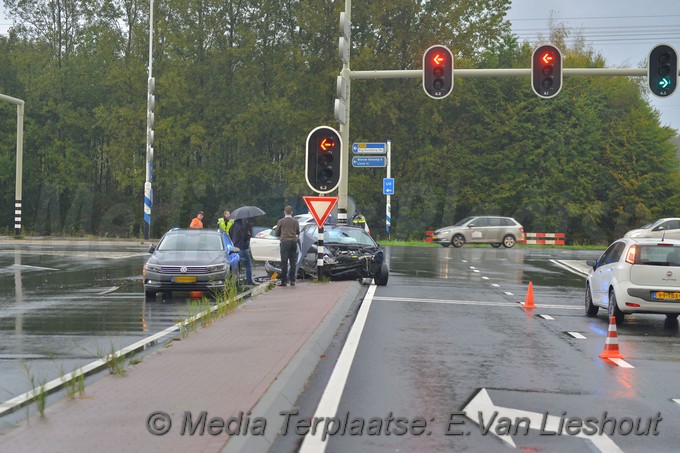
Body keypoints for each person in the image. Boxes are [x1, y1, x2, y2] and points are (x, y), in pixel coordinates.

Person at [275, 205, 300, 287]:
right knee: (293, 262)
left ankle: (284, 281)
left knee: (284, 262)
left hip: (285, 242)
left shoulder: (281, 221)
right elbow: (298, 232)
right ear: (292, 212)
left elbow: (277, 233)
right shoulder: (295, 221)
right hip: (293, 242)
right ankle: (292, 281)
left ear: (284, 212)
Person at [230, 218, 254, 285]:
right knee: (248, 264)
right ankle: (249, 281)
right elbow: (244, 237)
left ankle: (236, 282)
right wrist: (248, 235)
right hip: (242, 248)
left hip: (235, 247)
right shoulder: (242, 227)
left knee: (236, 265)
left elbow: (230, 236)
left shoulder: (232, 226)